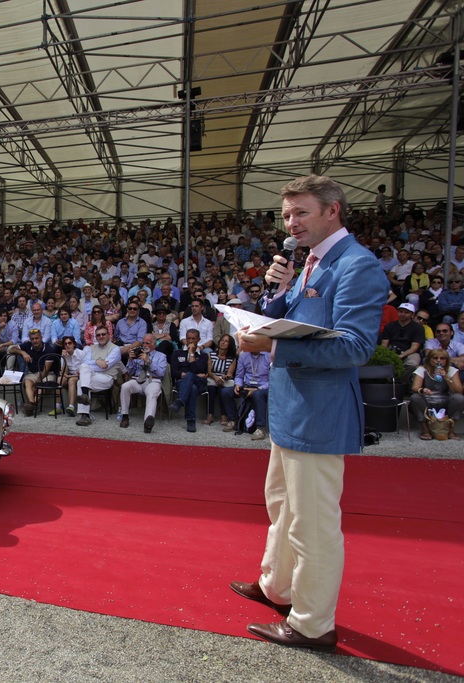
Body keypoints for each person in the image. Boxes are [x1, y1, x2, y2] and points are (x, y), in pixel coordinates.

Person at [231, 174, 388, 652]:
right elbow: (296, 321)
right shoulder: (309, 262)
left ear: (332, 210)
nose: (291, 223)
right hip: (290, 406)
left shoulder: (356, 266)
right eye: (286, 215)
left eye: (300, 213)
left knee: (312, 522)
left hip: (318, 413)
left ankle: (312, 623)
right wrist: (273, 299)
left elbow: (356, 346)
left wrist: (271, 339)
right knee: (281, 505)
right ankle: (276, 587)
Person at [408, 348, 463, 440]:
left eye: (442, 358)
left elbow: (459, 391)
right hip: (427, 399)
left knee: (459, 398)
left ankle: (451, 430)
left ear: (447, 360)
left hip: (445, 400)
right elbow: (414, 388)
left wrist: (446, 378)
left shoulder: (451, 370)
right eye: (435, 358)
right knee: (415, 397)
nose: (438, 360)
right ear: (429, 359)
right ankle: (425, 429)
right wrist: (423, 390)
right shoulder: (422, 370)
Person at [118, 333, 167, 433]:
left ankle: (147, 422)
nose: (144, 345)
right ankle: (125, 416)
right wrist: (131, 360)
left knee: (152, 393)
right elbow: (130, 372)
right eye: (143, 343)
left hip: (153, 380)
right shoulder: (138, 353)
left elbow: (161, 373)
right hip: (138, 380)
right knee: (125, 386)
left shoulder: (161, 356)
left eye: (147, 343)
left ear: (154, 344)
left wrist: (148, 361)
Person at [75, 324, 122, 426]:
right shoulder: (91, 348)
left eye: (103, 334)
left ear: (109, 335)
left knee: (82, 378)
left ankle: (85, 412)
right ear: (95, 337)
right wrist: (97, 361)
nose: (101, 337)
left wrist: (92, 364)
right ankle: (85, 413)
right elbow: (85, 362)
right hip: (92, 376)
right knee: (81, 379)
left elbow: (106, 366)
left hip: (107, 378)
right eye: (98, 335)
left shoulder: (115, 349)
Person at [220, 348, 270, 440]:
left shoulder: (268, 355)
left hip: (263, 387)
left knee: (257, 395)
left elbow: (272, 380)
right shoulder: (244, 356)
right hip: (247, 385)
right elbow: (239, 375)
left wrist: (258, 389)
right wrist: (238, 385)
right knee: (226, 392)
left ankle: (261, 428)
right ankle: (233, 420)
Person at [168, 329, 209, 432]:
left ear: (198, 340)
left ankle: (180, 401)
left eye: (193, 339)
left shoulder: (203, 355)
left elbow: (199, 371)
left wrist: (191, 354)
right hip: (182, 383)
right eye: (188, 338)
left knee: (193, 380)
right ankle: (191, 421)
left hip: (200, 383)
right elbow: (173, 372)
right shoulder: (177, 353)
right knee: (192, 387)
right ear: (185, 339)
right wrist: (190, 375)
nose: (190, 341)